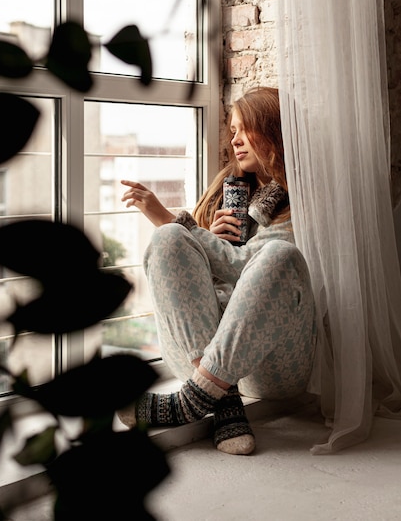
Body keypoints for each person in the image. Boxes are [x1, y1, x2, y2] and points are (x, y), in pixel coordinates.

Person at [118, 86, 317, 455]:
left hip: (270, 365)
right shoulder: (226, 191)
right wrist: (199, 234)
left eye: (244, 129)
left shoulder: (303, 201)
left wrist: (183, 225)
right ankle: (219, 398)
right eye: (232, 130)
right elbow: (198, 279)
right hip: (199, 356)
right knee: (168, 239)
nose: (234, 139)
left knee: (279, 255)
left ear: (271, 130)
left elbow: (245, 269)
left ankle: (190, 402)